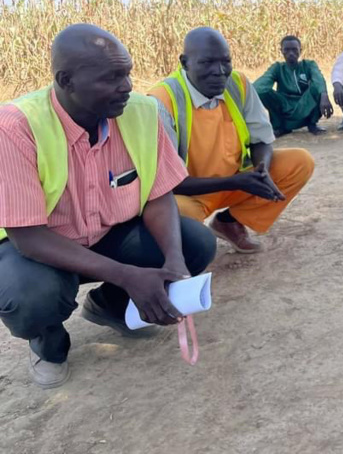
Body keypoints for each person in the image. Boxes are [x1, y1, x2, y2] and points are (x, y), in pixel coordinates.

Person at [0, 24, 216, 388]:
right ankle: (49, 343)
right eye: (112, 78)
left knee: (195, 243)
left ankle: (111, 308)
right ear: (66, 80)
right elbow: (29, 237)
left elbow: (157, 193)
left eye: (128, 73)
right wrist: (127, 274)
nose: (127, 86)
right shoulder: (15, 128)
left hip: (109, 234)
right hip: (40, 249)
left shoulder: (141, 113)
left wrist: (174, 262)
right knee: (30, 298)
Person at [149, 27, 314, 254]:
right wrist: (237, 182)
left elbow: (261, 139)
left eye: (225, 62)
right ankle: (185, 252)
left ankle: (229, 222)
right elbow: (167, 182)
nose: (219, 71)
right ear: (185, 63)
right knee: (168, 212)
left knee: (299, 162)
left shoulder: (237, 84)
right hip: (189, 195)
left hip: (236, 181)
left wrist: (261, 169)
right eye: (207, 62)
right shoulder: (162, 101)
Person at [254, 35, 334, 137]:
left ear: (300, 50)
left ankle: (312, 124)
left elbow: (318, 78)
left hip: (305, 104)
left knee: (316, 87)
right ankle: (280, 127)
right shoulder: (278, 68)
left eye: (294, 49)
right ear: (281, 51)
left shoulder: (308, 65)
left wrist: (324, 94)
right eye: (287, 50)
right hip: (284, 104)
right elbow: (262, 83)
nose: (291, 53)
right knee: (262, 91)